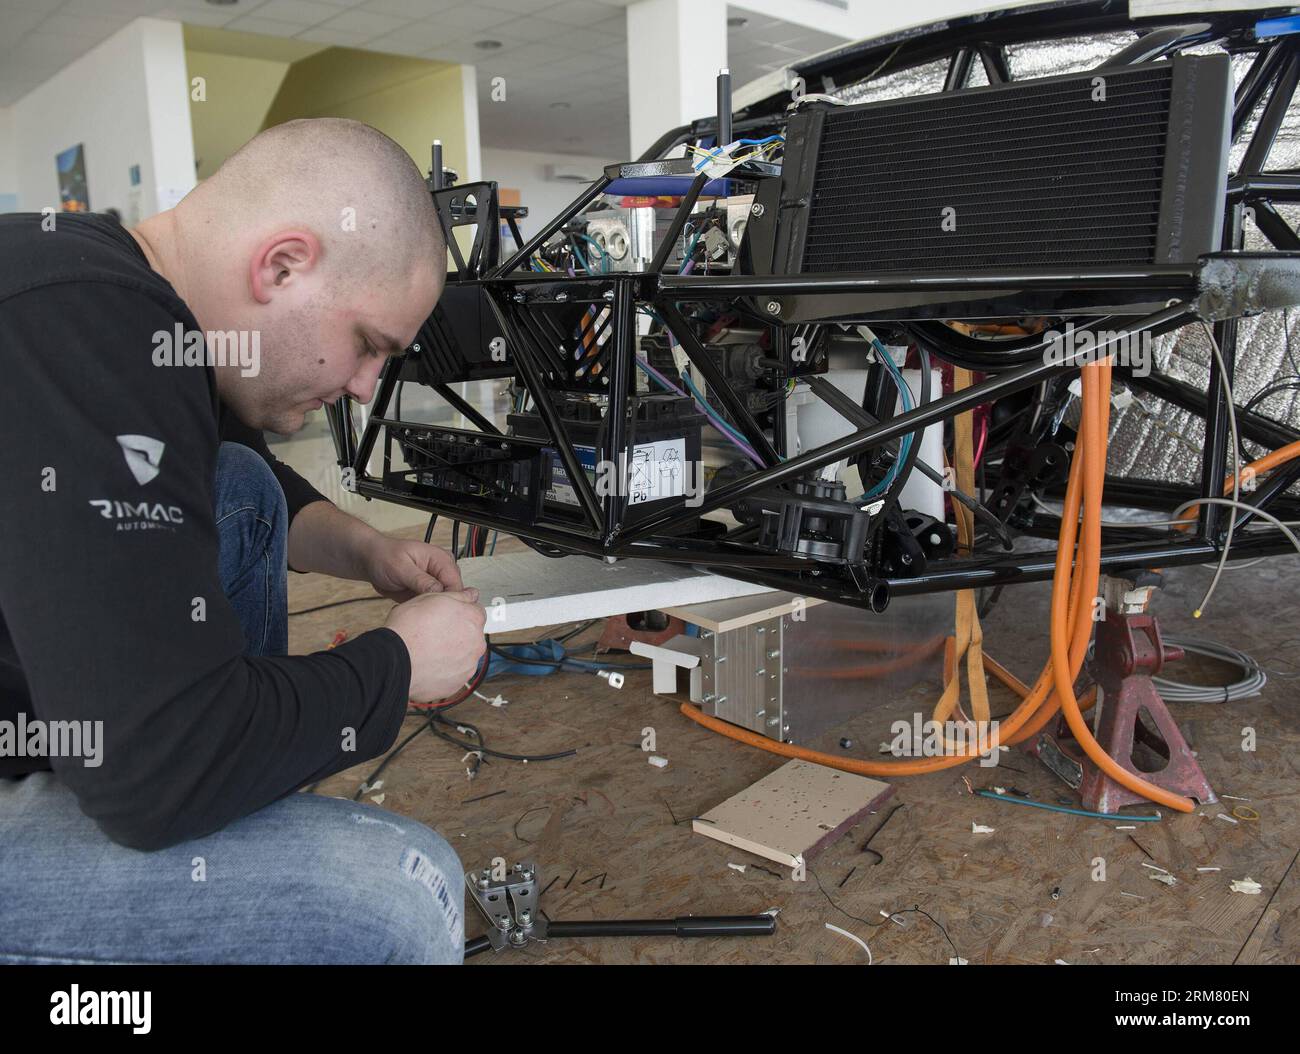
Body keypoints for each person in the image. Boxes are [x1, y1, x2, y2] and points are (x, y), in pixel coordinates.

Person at [0, 118, 486, 964]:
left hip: (65, 721)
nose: (366, 390)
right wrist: (394, 667)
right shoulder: (87, 328)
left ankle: (230, 776)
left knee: (240, 482)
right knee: (402, 895)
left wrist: (370, 551)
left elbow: (244, 473)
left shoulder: (107, 288)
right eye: (368, 346)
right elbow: (154, 776)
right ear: (283, 265)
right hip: (134, 769)